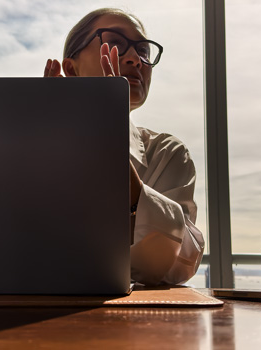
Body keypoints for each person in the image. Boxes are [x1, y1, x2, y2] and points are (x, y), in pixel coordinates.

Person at [44, 8, 204, 286]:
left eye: (143, 50)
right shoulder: (30, 142)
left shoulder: (166, 153)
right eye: (115, 43)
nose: (134, 59)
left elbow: (179, 263)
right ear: (71, 69)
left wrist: (107, 140)